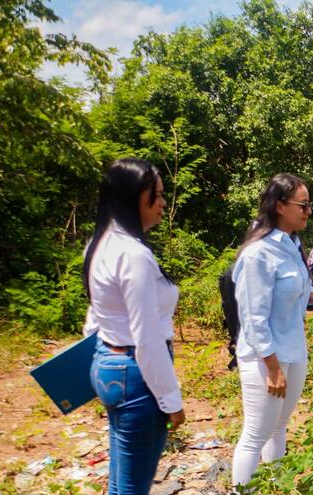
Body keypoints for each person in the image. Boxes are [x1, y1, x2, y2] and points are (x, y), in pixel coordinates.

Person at [82, 158, 186, 494]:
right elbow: (147, 337)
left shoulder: (100, 244)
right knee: (133, 486)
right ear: (133, 197)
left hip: (108, 363)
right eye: (157, 195)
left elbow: (95, 317)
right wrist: (171, 400)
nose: (163, 203)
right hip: (136, 375)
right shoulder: (133, 255)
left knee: (121, 479)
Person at [230, 173, 313, 486]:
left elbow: (294, 288)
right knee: (255, 435)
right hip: (265, 357)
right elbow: (253, 317)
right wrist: (273, 367)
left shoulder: (292, 245)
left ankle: (276, 485)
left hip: (293, 349)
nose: (308, 212)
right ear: (279, 206)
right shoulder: (258, 253)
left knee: (278, 427)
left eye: (309, 205)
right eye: (302, 205)